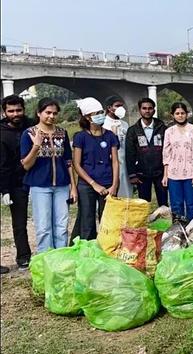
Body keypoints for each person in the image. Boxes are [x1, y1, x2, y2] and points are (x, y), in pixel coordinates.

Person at [20, 98, 76, 252]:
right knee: (44, 227)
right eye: (48, 112)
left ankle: (61, 258)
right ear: (39, 113)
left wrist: (73, 187)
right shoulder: (29, 134)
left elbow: (68, 162)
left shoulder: (62, 133)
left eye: (54, 113)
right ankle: (46, 260)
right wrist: (36, 145)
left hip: (62, 185)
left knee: (62, 226)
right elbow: (26, 165)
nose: (51, 116)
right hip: (40, 186)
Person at [72, 97, 119, 240]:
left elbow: (115, 162)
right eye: (95, 113)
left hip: (107, 182)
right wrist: (94, 184)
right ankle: (87, 250)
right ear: (87, 117)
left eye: (101, 112)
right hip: (87, 185)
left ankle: (106, 247)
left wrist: (114, 185)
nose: (100, 115)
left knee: (107, 220)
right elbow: (77, 164)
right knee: (87, 220)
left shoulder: (110, 135)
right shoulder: (80, 137)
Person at [1, 95, 34, 271]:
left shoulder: (33, 125)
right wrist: (4, 189)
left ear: (24, 109)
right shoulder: (1, 132)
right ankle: (23, 257)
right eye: (11, 111)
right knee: (19, 222)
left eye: (18, 110)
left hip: (37, 179)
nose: (15, 114)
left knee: (45, 219)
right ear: (4, 112)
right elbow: (2, 164)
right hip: (16, 183)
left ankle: (49, 251)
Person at [125, 98, 168, 207]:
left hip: (160, 172)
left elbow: (168, 150)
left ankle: (164, 223)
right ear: (140, 110)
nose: (147, 111)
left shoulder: (162, 128)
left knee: (163, 202)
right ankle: (145, 223)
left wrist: (167, 172)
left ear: (154, 110)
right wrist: (132, 174)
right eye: (144, 108)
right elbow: (130, 153)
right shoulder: (133, 130)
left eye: (150, 108)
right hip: (141, 173)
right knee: (144, 204)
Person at [163, 103, 193, 219]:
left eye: (182, 113)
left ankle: (191, 229)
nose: (180, 116)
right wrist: (165, 175)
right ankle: (178, 231)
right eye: (177, 113)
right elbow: (166, 154)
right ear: (172, 115)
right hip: (173, 174)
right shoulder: (169, 131)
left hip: (190, 173)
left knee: (191, 204)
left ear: (187, 114)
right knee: (176, 205)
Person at [103, 95, 132, 198]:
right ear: (109, 108)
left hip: (125, 163)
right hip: (109, 164)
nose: (120, 108)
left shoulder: (125, 124)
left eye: (122, 106)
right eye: (117, 106)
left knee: (126, 194)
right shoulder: (103, 124)